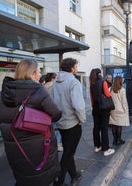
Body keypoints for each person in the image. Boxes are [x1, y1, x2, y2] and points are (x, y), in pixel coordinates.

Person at [0, 59, 62, 186]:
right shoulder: (39, 91)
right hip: (38, 147)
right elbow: (56, 114)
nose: (40, 74)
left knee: (22, 176)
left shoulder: (2, 93)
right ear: (32, 73)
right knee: (40, 177)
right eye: (39, 71)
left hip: (14, 146)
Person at [51, 58, 86, 186]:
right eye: (76, 66)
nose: (77, 69)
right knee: (68, 153)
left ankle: (74, 175)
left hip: (61, 122)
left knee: (67, 150)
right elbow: (78, 106)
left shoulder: (55, 83)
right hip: (73, 123)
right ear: (71, 68)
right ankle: (59, 181)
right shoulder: (73, 82)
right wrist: (81, 120)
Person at [89, 68, 115, 156]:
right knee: (104, 128)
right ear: (100, 73)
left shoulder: (91, 84)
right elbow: (107, 94)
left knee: (96, 127)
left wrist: (93, 106)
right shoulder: (103, 82)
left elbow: (92, 98)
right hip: (103, 109)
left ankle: (97, 146)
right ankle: (106, 149)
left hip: (95, 108)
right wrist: (109, 91)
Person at [44, 72, 63, 152]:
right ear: (52, 79)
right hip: (54, 110)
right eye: (56, 78)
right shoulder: (54, 86)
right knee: (57, 129)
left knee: (49, 129)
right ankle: (57, 145)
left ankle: (50, 144)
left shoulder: (43, 86)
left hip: (45, 111)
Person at [109, 76, 130, 145]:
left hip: (112, 110)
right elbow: (124, 102)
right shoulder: (122, 90)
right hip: (120, 110)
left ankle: (114, 140)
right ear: (120, 81)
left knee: (113, 125)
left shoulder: (110, 89)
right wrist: (126, 110)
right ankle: (118, 140)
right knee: (119, 126)